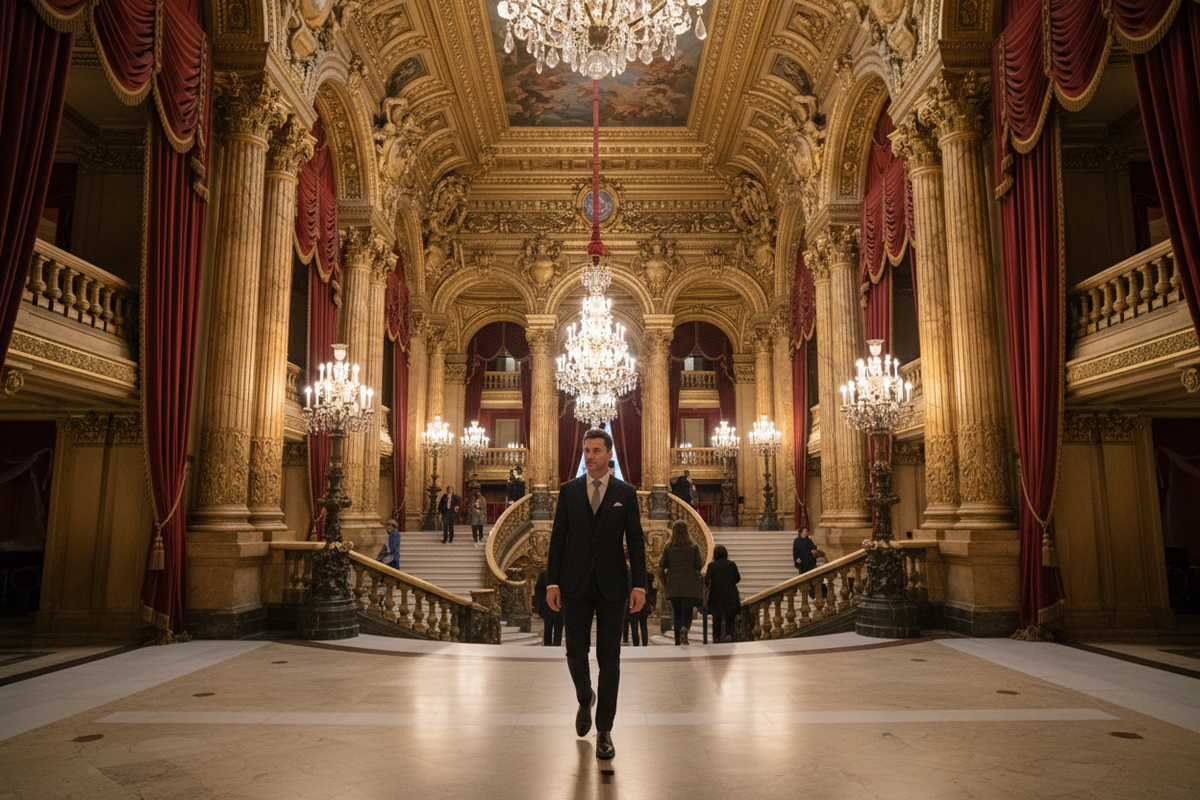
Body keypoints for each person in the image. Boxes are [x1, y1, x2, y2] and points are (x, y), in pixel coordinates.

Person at [545, 428, 646, 761]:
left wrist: (640, 585)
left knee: (610, 659)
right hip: (574, 584)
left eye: (596, 450)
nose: (589, 456)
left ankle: (604, 730)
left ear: (609, 454)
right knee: (574, 652)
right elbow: (558, 538)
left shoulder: (625, 493)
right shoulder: (569, 491)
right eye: (586, 450)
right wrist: (552, 582)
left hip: (613, 585)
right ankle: (584, 695)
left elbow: (635, 541)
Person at [660, 520, 704, 646]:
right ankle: (685, 628)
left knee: (677, 612)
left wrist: (665, 582)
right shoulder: (693, 547)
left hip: (673, 584)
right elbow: (699, 565)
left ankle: (677, 640)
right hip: (689, 584)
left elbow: (662, 565)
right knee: (687, 610)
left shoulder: (668, 547)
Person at [704, 544, 741, 643]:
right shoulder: (731, 564)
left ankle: (716, 638)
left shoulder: (711, 566)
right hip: (730, 596)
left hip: (716, 597)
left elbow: (707, 580)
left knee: (716, 620)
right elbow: (737, 578)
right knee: (730, 620)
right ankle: (729, 635)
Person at [625, 572, 656, 647]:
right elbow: (651, 590)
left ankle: (636, 644)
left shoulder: (629, 575)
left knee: (634, 625)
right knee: (643, 625)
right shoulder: (648, 575)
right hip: (643, 602)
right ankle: (645, 643)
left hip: (632, 602)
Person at [534, 568, 563, 646]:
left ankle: (547, 644)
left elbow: (537, 589)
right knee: (558, 627)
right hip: (559, 605)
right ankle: (557, 644)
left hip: (547, 605)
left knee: (548, 626)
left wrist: (539, 602)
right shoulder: (561, 575)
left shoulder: (544, 574)